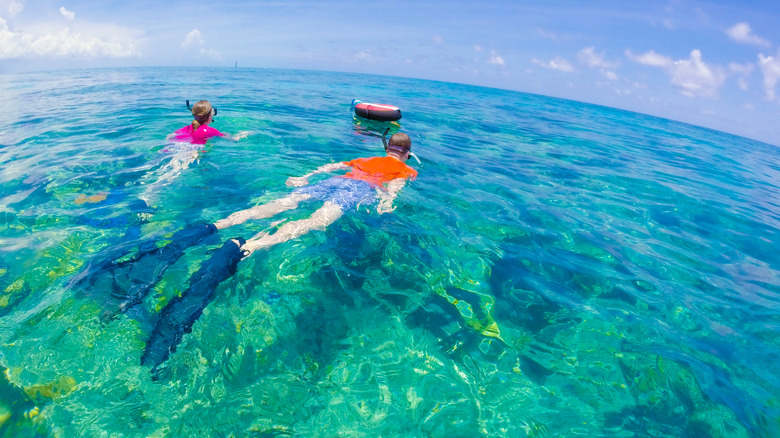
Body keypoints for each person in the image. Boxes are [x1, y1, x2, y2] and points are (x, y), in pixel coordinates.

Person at [82, 132, 418, 373]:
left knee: (281, 204)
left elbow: (330, 166)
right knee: (316, 223)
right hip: (358, 189)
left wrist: (302, 177)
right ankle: (255, 246)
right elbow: (394, 187)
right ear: (405, 153)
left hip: (337, 180)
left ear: (387, 146)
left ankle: (224, 222)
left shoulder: (365, 158)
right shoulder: (407, 169)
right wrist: (386, 205)